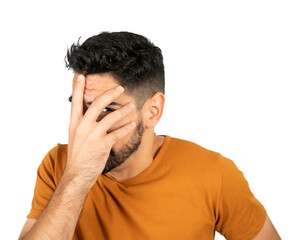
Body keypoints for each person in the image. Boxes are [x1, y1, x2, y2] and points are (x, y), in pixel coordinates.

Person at [18, 31, 281, 240]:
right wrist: (77, 176)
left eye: (107, 110)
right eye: (81, 108)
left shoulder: (214, 174)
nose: (86, 128)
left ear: (153, 111)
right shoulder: (58, 165)